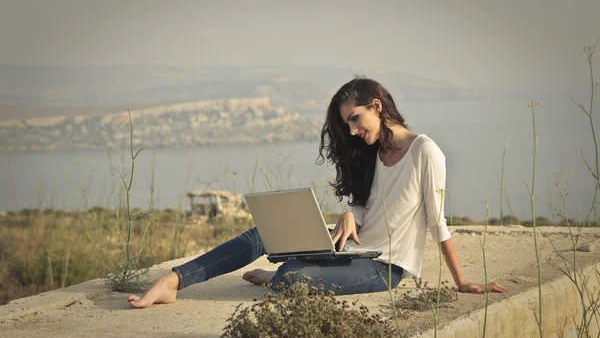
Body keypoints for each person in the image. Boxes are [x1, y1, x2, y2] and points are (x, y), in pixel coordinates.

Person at [128, 77, 506, 308]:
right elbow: (365, 207)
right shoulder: (373, 154)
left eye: (355, 118)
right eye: (348, 124)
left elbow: (438, 222)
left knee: (292, 277)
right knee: (264, 234)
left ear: (376, 106)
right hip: (352, 246)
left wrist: (461, 281)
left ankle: (273, 277)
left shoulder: (426, 152)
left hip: (384, 267)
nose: (354, 130)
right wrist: (350, 214)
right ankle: (173, 282)